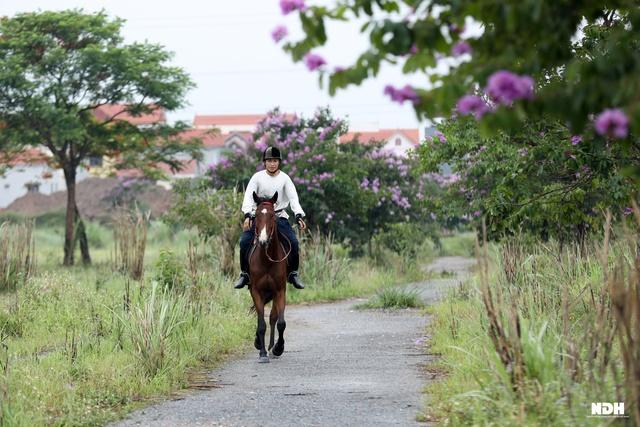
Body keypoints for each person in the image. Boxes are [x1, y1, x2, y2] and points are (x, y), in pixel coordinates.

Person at [234, 146, 307, 290]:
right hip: (259, 216)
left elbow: (293, 198)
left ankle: (293, 273)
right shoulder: (257, 177)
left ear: (279, 162)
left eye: (275, 161)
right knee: (244, 242)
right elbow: (248, 196)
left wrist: (298, 215)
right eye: (269, 161)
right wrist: (248, 215)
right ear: (265, 162)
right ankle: (244, 274)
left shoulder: (285, 178)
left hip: (278, 216)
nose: (272, 163)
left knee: (293, 242)